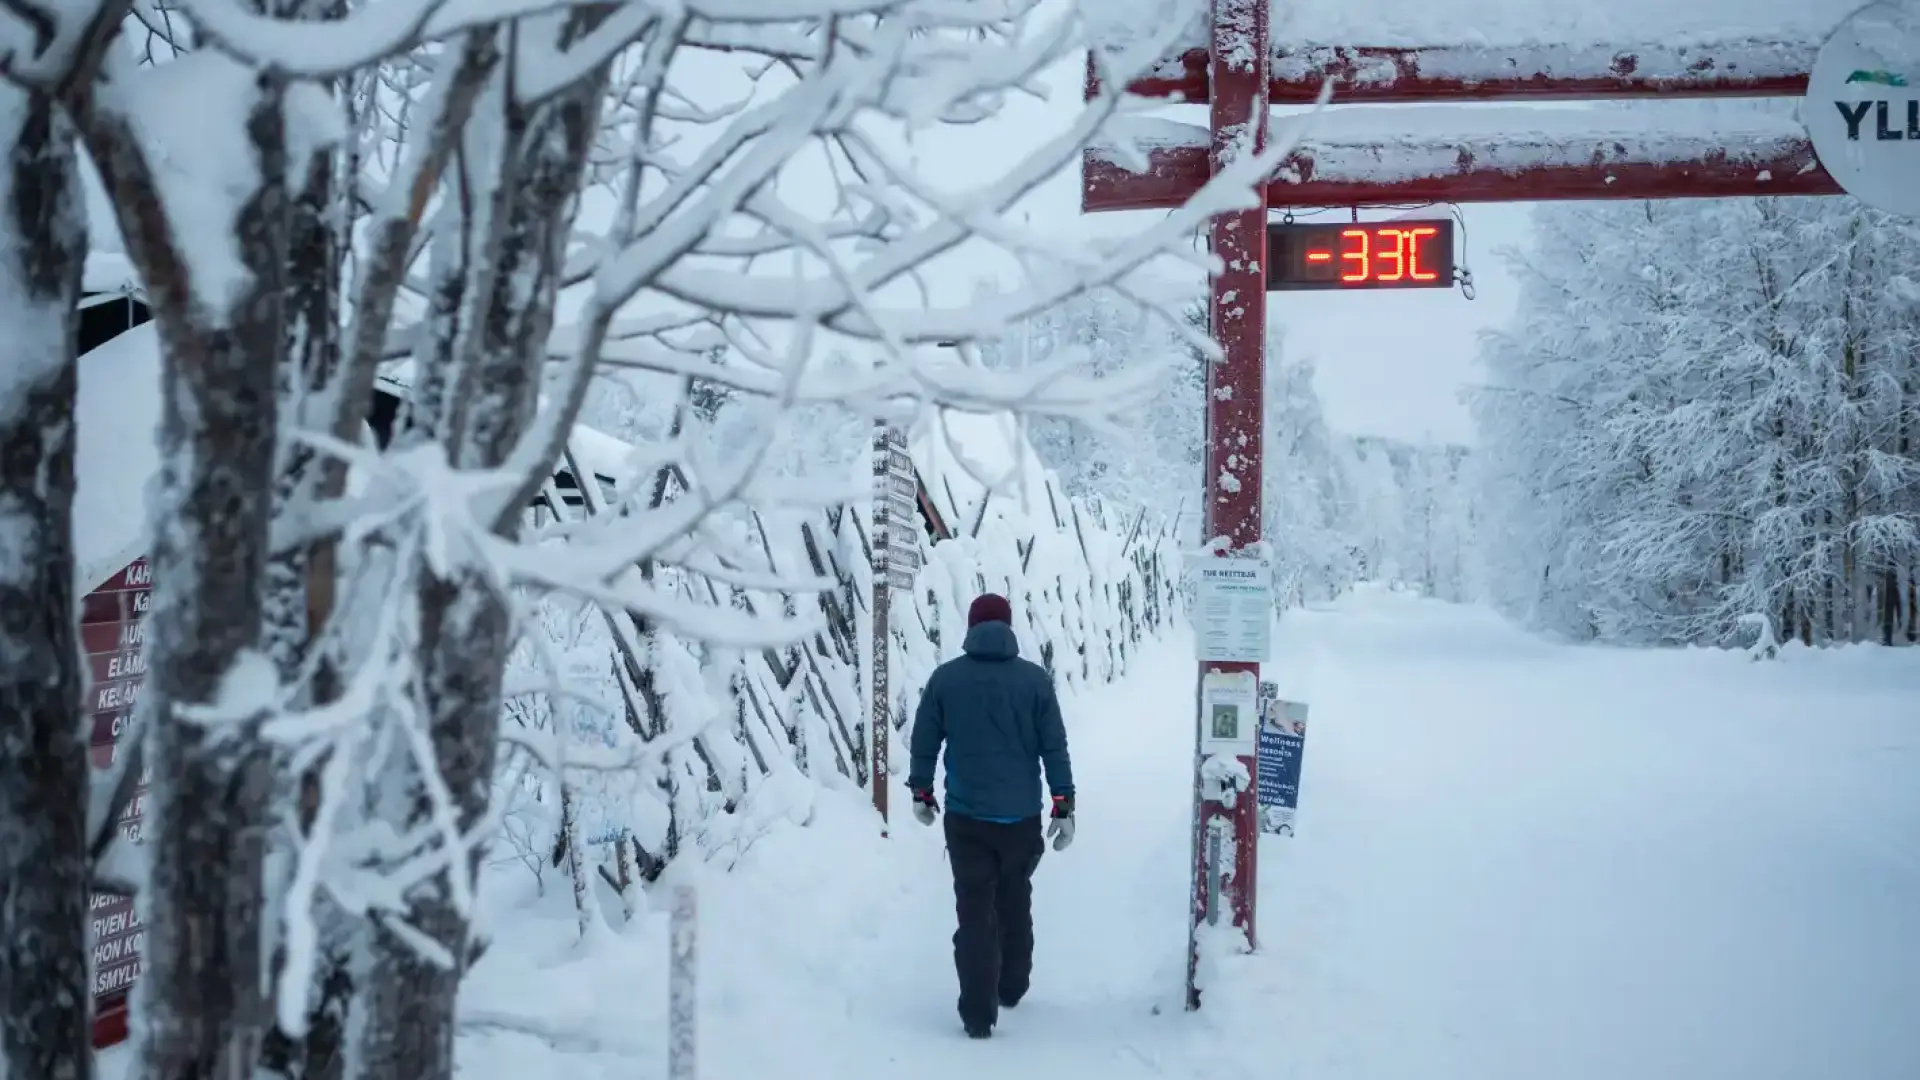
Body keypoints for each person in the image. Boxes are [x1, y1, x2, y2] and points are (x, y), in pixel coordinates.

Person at [907, 592, 1075, 1040]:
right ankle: (1013, 984)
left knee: (975, 909)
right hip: (1020, 818)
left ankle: (978, 1014)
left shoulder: (946, 680)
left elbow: (925, 741)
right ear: (1009, 627)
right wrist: (1064, 803)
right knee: (1015, 896)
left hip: (966, 819)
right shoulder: (1035, 681)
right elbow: (1053, 747)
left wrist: (921, 791)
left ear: (971, 626)